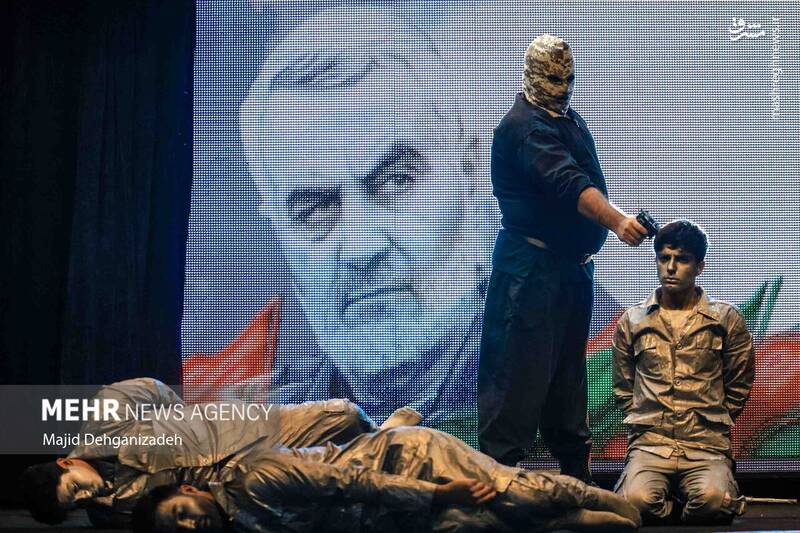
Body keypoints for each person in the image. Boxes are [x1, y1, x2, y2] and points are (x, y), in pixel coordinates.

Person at [238, 5, 495, 424]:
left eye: (396, 180)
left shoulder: (581, 383)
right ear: (279, 233)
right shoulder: (260, 427)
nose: (361, 248)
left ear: (469, 173)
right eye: (315, 209)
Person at [478, 33, 647, 477]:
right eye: (553, 80)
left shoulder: (566, 118)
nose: (562, 87)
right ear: (531, 76)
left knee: (567, 379)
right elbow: (568, 182)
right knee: (517, 376)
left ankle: (578, 477)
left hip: (568, 272)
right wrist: (618, 221)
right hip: (530, 273)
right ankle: (497, 487)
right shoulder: (522, 127)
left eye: (568, 79)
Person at [20, 378, 419, 526]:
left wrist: (184, 423)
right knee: (325, 471)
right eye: (76, 504)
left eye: (74, 488)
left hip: (239, 427)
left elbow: (153, 390)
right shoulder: (109, 511)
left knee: (344, 415)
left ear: (66, 462)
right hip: (237, 476)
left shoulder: (104, 419)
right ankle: (390, 440)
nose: (84, 496)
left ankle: (381, 433)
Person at [133, 425, 641, 532]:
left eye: (180, 514)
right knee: (482, 525)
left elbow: (353, 483)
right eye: (177, 532)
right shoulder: (241, 527)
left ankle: (602, 500)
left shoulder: (254, 480)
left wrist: (438, 491)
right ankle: (573, 519)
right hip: (385, 516)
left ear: (190, 491)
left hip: (407, 462)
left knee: (514, 491)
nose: (189, 527)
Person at [612, 220, 755, 524]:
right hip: (651, 445)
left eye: (682, 259)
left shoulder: (725, 319)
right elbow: (624, 387)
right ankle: (673, 505)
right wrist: (645, 419)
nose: (671, 268)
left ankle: (690, 501)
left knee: (714, 503)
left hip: (705, 445)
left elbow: (739, 383)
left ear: (699, 266)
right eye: (664, 258)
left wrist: (711, 420)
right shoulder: (633, 321)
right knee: (634, 505)